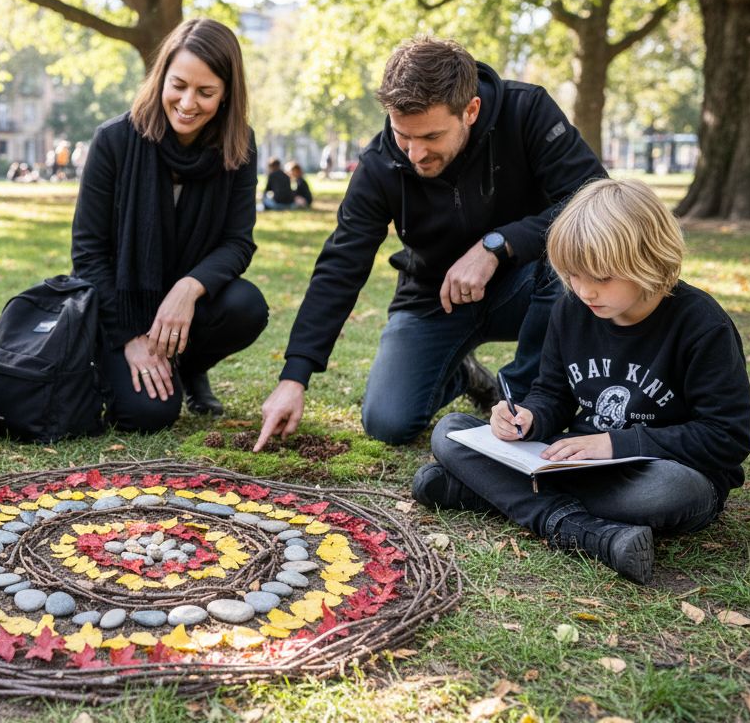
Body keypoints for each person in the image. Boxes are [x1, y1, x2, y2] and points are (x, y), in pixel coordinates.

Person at [257, 36, 607, 450]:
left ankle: (525, 402)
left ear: (471, 110)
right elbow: (341, 264)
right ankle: (462, 376)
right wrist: (294, 377)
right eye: (403, 135)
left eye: (431, 137)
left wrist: (499, 244)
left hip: (526, 286)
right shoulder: (379, 165)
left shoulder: (526, 111)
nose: (415, 154)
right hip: (434, 299)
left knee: (567, 250)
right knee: (388, 421)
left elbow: (594, 199)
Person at [416, 178, 750, 583]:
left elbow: (727, 437)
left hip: (664, 474)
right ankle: (575, 527)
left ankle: (481, 492)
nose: (586, 290)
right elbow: (552, 393)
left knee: (665, 491)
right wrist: (529, 417)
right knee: (451, 432)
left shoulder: (701, 326)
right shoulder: (571, 309)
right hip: (576, 465)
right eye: (573, 275)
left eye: (603, 277)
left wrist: (616, 444)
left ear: (650, 260)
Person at [71, 17, 268, 430]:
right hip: (120, 306)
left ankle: (190, 365)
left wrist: (188, 288)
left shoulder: (239, 145)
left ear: (227, 94)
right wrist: (130, 337)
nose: (188, 102)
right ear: (161, 77)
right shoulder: (113, 142)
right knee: (146, 415)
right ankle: (136, 363)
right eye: (178, 85)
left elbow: (237, 242)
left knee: (246, 306)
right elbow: (88, 253)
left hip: (186, 309)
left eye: (206, 92)